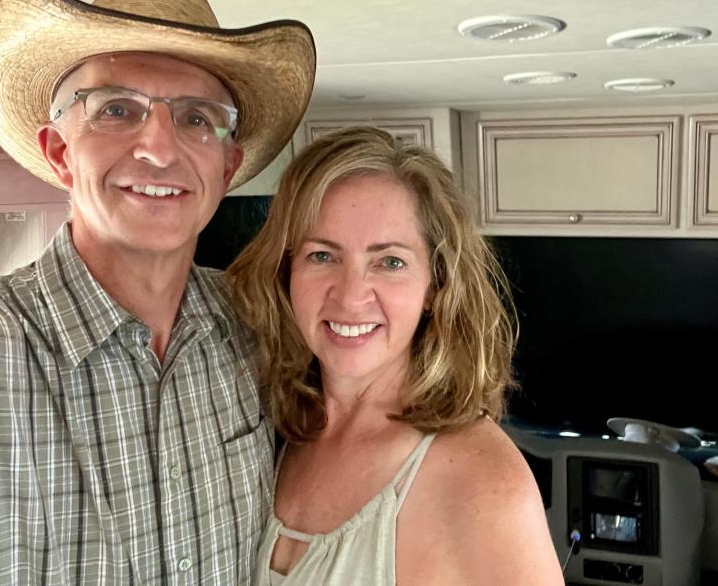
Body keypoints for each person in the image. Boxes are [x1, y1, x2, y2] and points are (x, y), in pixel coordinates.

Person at [0, 0, 315, 582]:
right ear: (60, 152)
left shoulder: (258, 325)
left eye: (195, 118)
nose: (159, 149)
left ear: (228, 164)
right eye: (116, 109)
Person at [229, 126, 563, 584]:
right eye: (322, 256)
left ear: (436, 287)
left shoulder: (481, 479)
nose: (350, 296)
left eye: (390, 262)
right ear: (286, 271)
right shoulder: (274, 429)